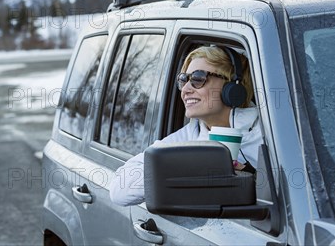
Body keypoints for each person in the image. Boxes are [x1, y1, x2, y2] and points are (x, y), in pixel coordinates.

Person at [109, 45, 262, 207]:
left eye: (197, 78)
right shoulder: (188, 136)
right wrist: (190, 166)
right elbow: (119, 190)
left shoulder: (271, 135)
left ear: (232, 87)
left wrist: (254, 178)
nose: (186, 89)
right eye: (183, 80)